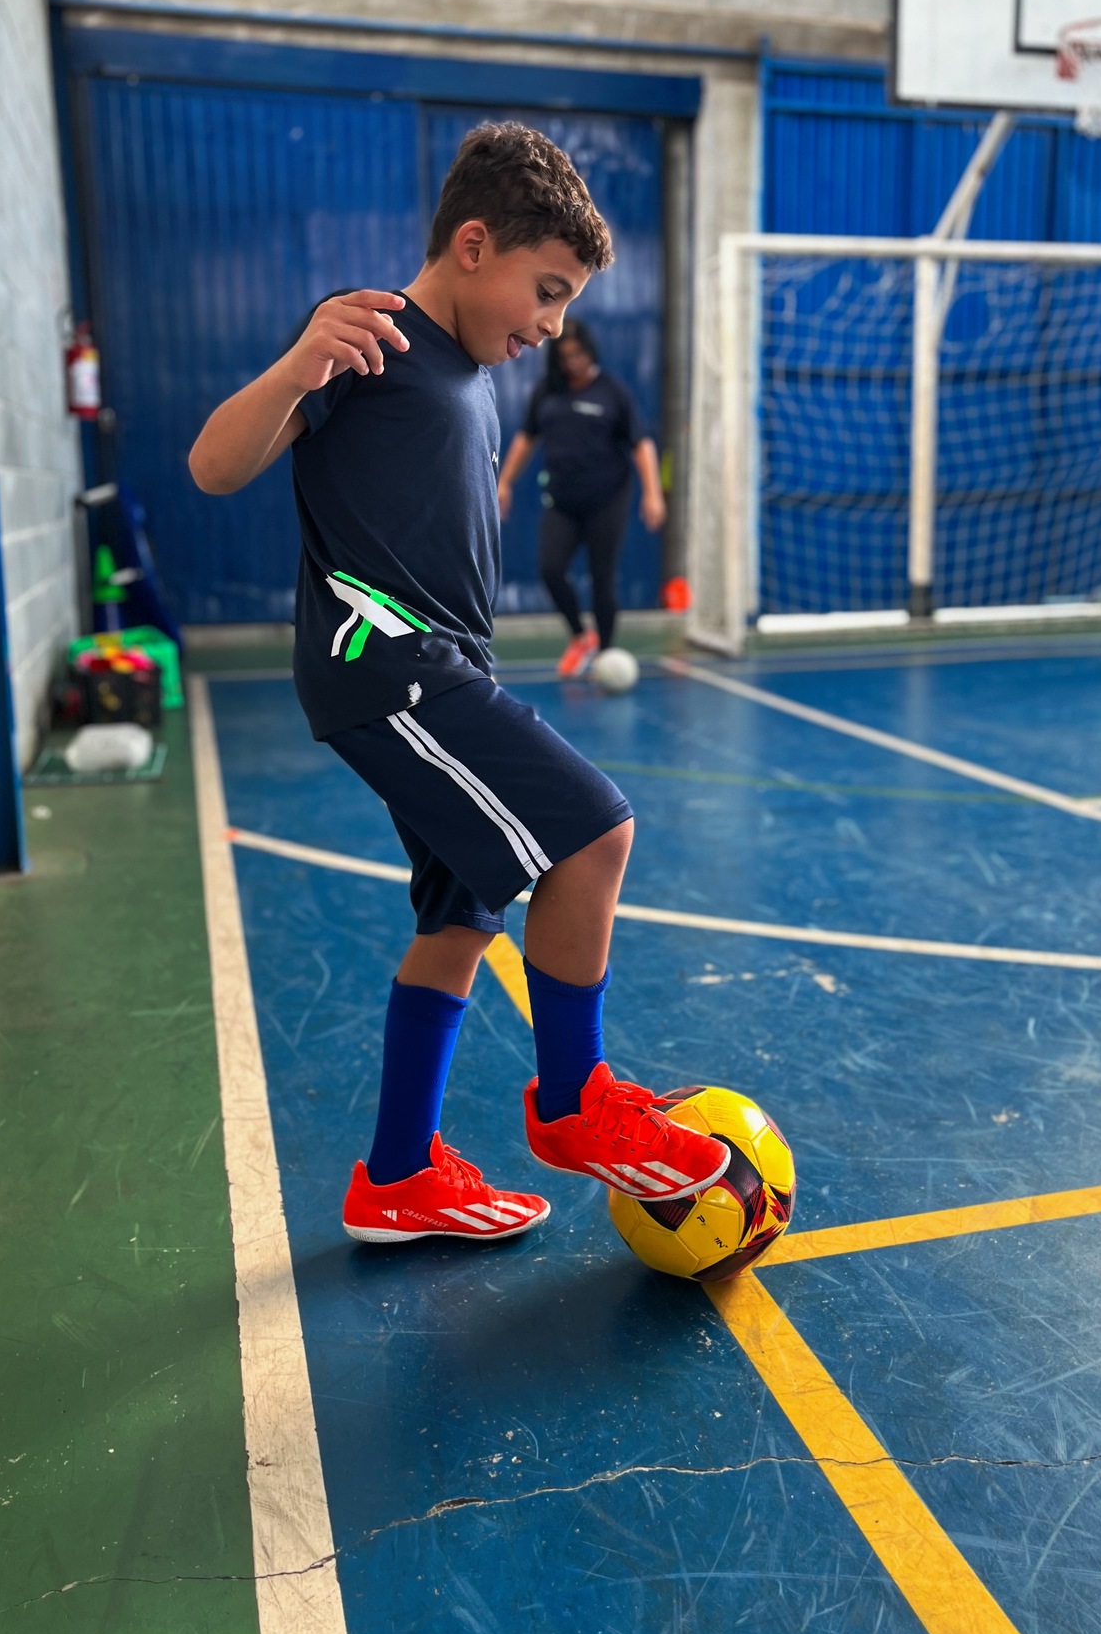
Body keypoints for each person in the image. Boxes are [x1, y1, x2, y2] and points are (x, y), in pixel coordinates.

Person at [187, 123, 729, 1245]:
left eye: (567, 302)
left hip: (438, 668)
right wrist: (300, 362)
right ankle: (576, 1100)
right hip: (386, 668)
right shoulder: (370, 334)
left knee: (461, 916)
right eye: (548, 289)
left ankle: (396, 1175)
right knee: (595, 832)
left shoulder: (474, 372)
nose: (553, 324)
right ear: (472, 245)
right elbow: (215, 465)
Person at [496, 319, 666, 677]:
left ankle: (605, 653)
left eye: (578, 353)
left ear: (589, 352)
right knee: (551, 569)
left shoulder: (612, 392)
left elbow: (641, 443)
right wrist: (505, 483)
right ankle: (580, 636)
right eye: (565, 355)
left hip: (608, 498)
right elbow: (527, 438)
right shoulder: (548, 391)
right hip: (562, 500)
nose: (573, 361)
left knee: (602, 578)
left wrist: (652, 493)